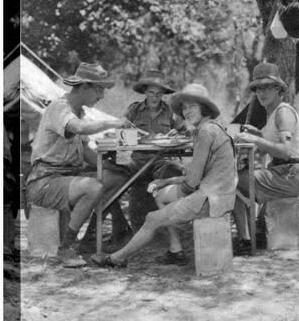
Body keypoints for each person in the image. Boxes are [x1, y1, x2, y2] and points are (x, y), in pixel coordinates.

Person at [91, 83, 237, 268]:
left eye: (192, 106)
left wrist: (171, 184)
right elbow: (196, 176)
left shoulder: (206, 132)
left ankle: (116, 258)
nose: (187, 111)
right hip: (219, 193)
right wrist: (164, 182)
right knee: (160, 194)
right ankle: (175, 249)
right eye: (184, 107)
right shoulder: (211, 127)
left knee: (152, 218)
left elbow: (192, 182)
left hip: (211, 199)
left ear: (204, 108)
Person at [26, 62, 131, 267]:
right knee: (93, 187)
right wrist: (112, 123)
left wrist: (112, 165)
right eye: (99, 90)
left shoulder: (78, 112)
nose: (101, 96)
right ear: (83, 87)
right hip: (43, 182)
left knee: (117, 177)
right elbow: (79, 128)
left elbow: (86, 154)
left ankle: (93, 237)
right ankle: (66, 247)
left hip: (64, 179)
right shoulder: (59, 108)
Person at [233, 62, 299, 254]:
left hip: (289, 174)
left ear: (278, 89)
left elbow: (285, 151)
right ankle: (248, 237)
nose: (261, 93)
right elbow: (272, 145)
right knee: (233, 179)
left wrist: (253, 139)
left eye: (267, 87)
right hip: (281, 172)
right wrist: (258, 135)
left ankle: (247, 239)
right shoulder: (272, 114)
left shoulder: (283, 112)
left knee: (230, 180)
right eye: (258, 88)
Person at [124, 69, 183, 233]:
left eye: (159, 93)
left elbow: (184, 131)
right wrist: (143, 139)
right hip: (137, 161)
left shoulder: (171, 112)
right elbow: (122, 135)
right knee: (113, 179)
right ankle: (125, 230)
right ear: (145, 92)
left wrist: (175, 133)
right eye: (151, 92)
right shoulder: (134, 110)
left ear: (164, 94)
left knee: (178, 173)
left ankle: (173, 230)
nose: (155, 97)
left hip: (161, 161)